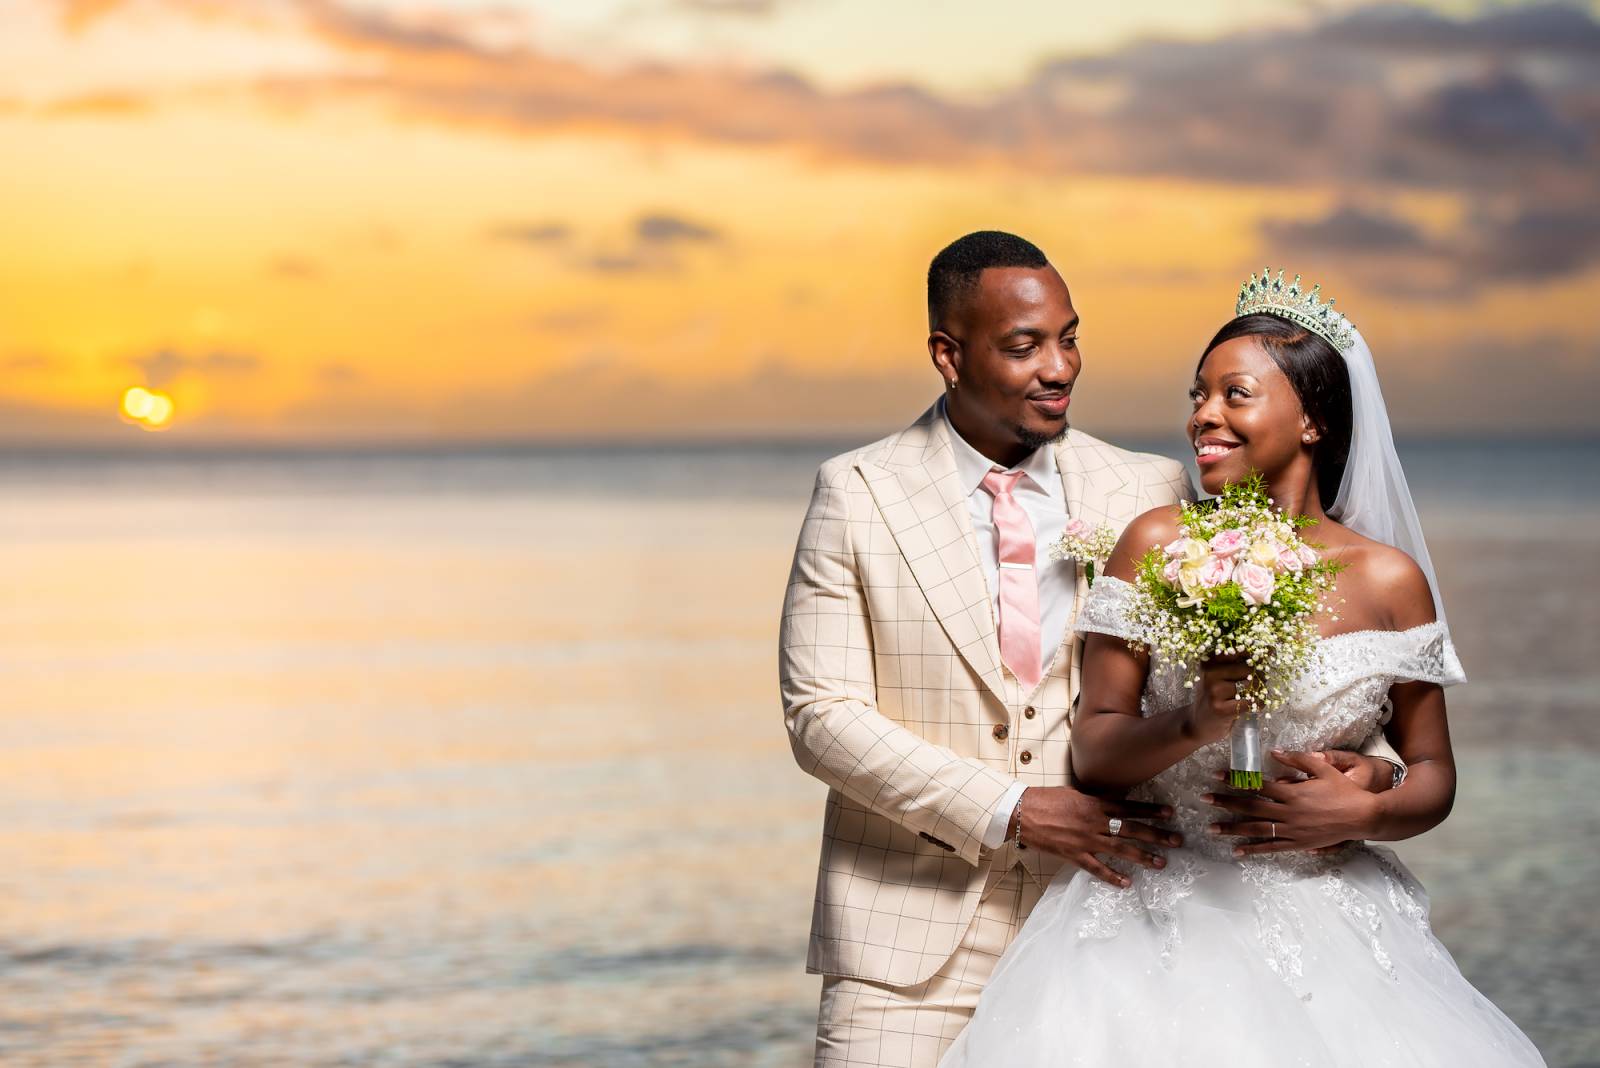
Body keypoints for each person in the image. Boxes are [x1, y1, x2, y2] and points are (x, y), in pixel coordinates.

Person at [779, 235, 1406, 1068]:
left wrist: (1376, 766)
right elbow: (821, 716)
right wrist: (1013, 808)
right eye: (1024, 346)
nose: (1060, 367)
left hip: (1114, 932)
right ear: (948, 355)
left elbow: (1282, 646)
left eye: (1069, 338)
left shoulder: (1150, 489)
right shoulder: (857, 493)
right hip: (906, 948)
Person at [939, 271, 1547, 1066]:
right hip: (1149, 920)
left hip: (1330, 928)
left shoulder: (1390, 581)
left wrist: (1364, 809)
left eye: (1235, 394)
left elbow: (1434, 770)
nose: (1203, 416)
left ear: (1314, 421)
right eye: (1199, 395)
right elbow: (1095, 751)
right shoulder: (1156, 543)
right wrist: (1195, 722)